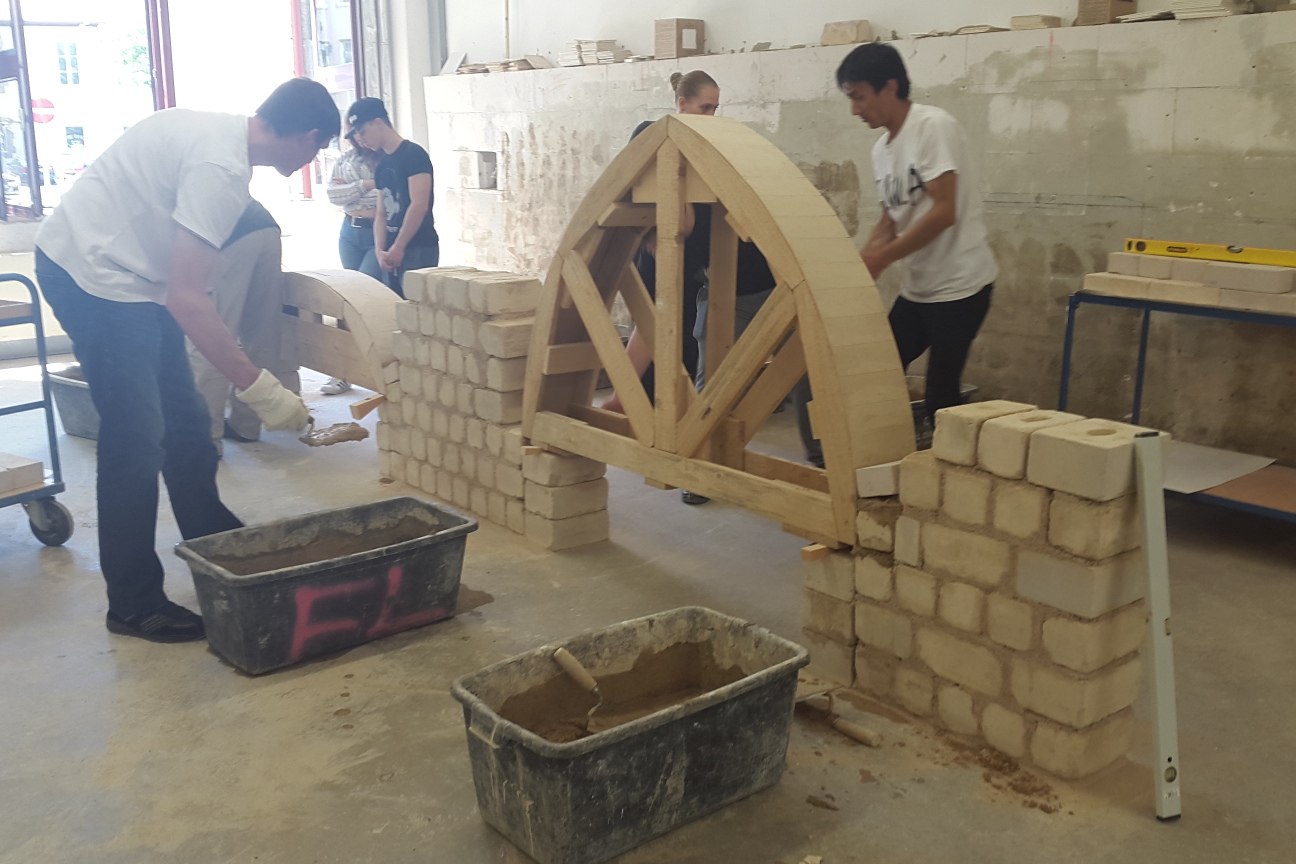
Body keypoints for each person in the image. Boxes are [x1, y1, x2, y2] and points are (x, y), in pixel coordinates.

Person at [34, 78, 338, 643]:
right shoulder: (220, 169)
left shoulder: (219, 138)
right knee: (137, 439)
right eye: (319, 150)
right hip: (92, 275)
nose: (312, 160)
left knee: (187, 425)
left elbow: (181, 287)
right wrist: (262, 390)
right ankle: (133, 604)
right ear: (309, 136)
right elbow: (188, 298)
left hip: (135, 281)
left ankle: (212, 542)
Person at [800, 43, 997, 461]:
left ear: (889, 87)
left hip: (961, 288)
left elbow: (943, 211)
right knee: (880, 369)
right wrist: (863, 261)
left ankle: (946, 479)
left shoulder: (932, 127)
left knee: (941, 394)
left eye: (859, 97)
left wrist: (884, 257)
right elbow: (892, 217)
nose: (855, 110)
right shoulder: (882, 150)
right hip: (920, 290)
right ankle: (871, 459)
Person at [604, 71, 728, 505]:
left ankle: (642, 412)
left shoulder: (705, 144)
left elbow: (693, 218)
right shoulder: (650, 135)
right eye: (704, 107)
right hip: (661, 255)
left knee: (676, 342)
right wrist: (647, 235)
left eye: (716, 108)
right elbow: (624, 193)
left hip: (691, 261)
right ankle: (621, 400)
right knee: (654, 326)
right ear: (681, 104)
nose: (711, 115)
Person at [188, 199, 301, 452]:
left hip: (226, 234)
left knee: (211, 338)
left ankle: (205, 443)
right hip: (264, 226)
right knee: (262, 334)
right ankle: (246, 425)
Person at [346, 97, 438, 298]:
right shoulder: (382, 165)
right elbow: (381, 213)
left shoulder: (414, 155)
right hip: (391, 250)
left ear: (378, 123)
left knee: (417, 307)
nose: (361, 139)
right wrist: (380, 250)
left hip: (418, 247)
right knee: (395, 307)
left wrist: (399, 246)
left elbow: (419, 205)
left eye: (363, 132)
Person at [321, 122, 384, 395]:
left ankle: (373, 368)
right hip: (349, 231)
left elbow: (383, 196)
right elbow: (334, 195)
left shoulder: (386, 159)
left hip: (376, 231)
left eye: (362, 132)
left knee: (358, 300)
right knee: (345, 297)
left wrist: (352, 189)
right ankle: (341, 372)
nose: (359, 138)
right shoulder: (345, 160)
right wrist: (366, 185)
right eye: (354, 134)